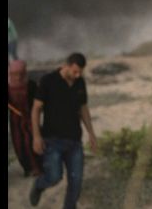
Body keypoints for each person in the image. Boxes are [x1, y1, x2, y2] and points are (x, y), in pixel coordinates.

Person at [29, 52, 97, 208]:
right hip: (52, 140)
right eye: (75, 71)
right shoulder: (48, 81)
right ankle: (39, 185)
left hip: (74, 140)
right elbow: (36, 109)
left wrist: (91, 133)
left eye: (80, 72)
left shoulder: (80, 83)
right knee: (54, 177)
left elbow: (83, 108)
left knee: (76, 181)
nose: (78, 75)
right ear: (66, 65)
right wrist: (36, 137)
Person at [8, 59, 43, 177]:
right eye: (14, 74)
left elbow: (38, 103)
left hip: (30, 118)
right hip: (15, 120)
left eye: (19, 74)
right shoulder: (8, 86)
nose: (17, 77)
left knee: (31, 141)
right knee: (18, 143)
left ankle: (37, 167)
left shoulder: (31, 85)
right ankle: (27, 168)